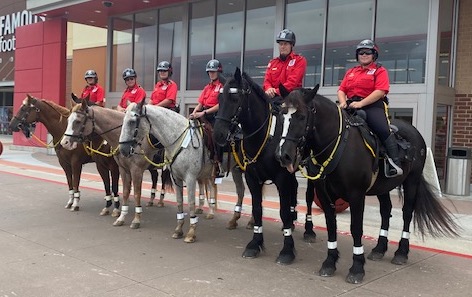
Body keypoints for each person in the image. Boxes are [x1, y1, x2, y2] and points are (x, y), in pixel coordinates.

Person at [337, 39, 403, 178]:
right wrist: (343, 102)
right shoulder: (350, 72)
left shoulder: (379, 70)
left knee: (382, 129)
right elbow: (341, 90)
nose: (364, 54)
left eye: (368, 52)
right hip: (351, 105)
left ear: (374, 55)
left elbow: (380, 90)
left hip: (372, 106)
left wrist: (362, 104)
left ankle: (394, 163)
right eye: (361, 52)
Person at [190, 59, 225, 177]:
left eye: (213, 72)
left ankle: (218, 163)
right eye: (209, 72)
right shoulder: (207, 87)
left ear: (219, 72)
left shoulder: (222, 86)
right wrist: (194, 113)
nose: (211, 74)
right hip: (203, 113)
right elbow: (200, 103)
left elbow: (220, 104)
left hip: (215, 116)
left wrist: (204, 113)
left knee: (216, 135)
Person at [263, 29, 307, 99]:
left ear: (292, 45)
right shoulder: (272, 63)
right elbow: (267, 81)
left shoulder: (299, 61)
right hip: (273, 98)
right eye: (281, 44)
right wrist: (269, 89)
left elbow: (292, 83)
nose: (282, 47)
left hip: (292, 98)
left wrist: (276, 92)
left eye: (285, 44)